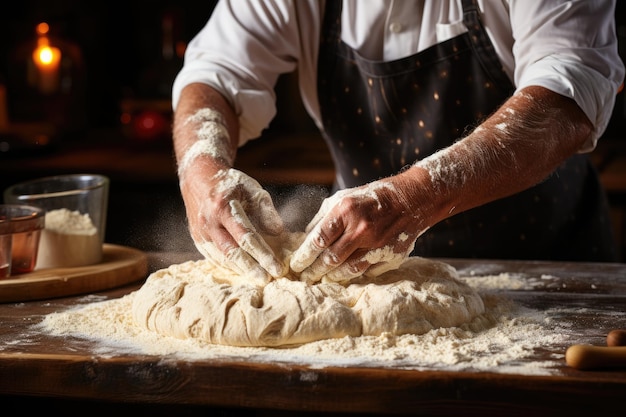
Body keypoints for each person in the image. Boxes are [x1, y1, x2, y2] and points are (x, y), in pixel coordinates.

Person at [171, 0, 625, 284]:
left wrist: (413, 197)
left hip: (546, 268)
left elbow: (569, 89)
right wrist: (200, 173)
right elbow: (215, 74)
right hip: (359, 274)